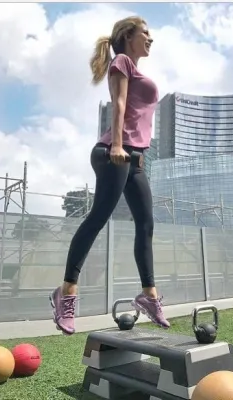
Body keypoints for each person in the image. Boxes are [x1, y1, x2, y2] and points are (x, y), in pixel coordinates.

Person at [49, 16, 170, 335]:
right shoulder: (122, 62)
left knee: (146, 223)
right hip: (114, 152)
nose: (150, 39)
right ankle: (66, 293)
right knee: (98, 217)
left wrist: (133, 152)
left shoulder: (136, 69)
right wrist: (117, 145)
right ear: (128, 36)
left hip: (134, 157)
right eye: (145, 33)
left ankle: (149, 296)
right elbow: (119, 103)